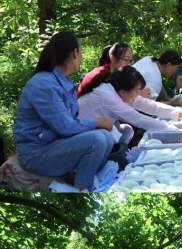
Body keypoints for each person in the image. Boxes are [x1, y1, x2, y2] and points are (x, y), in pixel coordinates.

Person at [13, 31, 114, 190]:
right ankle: (82, 189)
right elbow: (66, 127)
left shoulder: (60, 81)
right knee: (97, 140)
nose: (81, 56)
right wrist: (97, 122)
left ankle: (88, 179)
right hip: (35, 153)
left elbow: (68, 123)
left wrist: (98, 125)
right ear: (74, 53)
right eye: (80, 52)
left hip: (53, 144)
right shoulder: (43, 84)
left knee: (106, 137)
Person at [78, 66, 182, 136]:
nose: (139, 95)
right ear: (123, 92)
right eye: (137, 90)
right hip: (80, 134)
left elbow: (152, 106)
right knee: (108, 136)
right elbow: (139, 119)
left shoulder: (120, 91)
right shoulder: (109, 96)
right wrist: (180, 132)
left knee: (126, 131)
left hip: (93, 131)